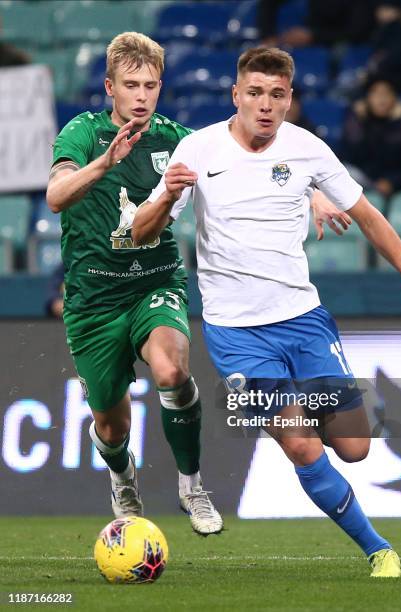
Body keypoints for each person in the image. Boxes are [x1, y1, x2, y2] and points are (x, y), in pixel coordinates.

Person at [132, 47, 401, 577]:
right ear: (236, 95)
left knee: (355, 448)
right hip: (236, 334)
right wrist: (166, 200)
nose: (265, 105)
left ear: (290, 100)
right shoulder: (198, 149)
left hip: (303, 320)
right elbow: (141, 232)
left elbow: (367, 216)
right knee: (301, 444)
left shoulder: (308, 151)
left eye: (277, 95)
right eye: (254, 93)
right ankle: (379, 550)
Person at [46, 32, 222, 535]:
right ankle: (123, 480)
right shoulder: (81, 133)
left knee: (171, 371)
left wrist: (311, 197)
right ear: (110, 87)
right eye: (131, 85)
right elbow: (57, 195)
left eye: (150, 85)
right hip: (93, 300)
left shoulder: (178, 139)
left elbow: (236, 170)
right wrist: (104, 164)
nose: (142, 95)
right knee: (111, 425)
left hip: (155, 281)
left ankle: (192, 485)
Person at [341, 78, 401, 197]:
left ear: (395, 98)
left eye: (386, 93)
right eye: (375, 93)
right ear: (367, 98)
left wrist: (392, 182)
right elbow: (348, 157)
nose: (381, 99)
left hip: (398, 187)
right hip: (364, 183)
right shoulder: (360, 123)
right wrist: (357, 123)